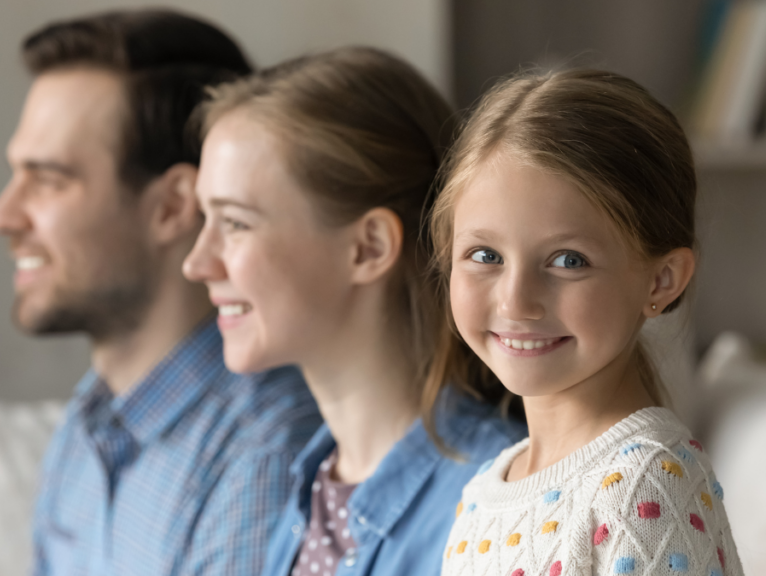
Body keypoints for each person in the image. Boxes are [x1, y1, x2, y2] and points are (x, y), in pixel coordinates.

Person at [0, 10, 321, 576]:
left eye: (48, 180)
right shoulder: (87, 420)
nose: (1, 216)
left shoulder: (265, 457)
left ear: (171, 207)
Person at [182, 47, 524, 576]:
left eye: (235, 223)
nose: (196, 264)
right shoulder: (315, 482)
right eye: (205, 218)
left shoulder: (495, 505)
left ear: (367, 247)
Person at [432, 68, 743, 576]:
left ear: (661, 280)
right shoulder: (485, 490)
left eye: (568, 260)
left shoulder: (643, 486)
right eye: (485, 254)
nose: (516, 302)